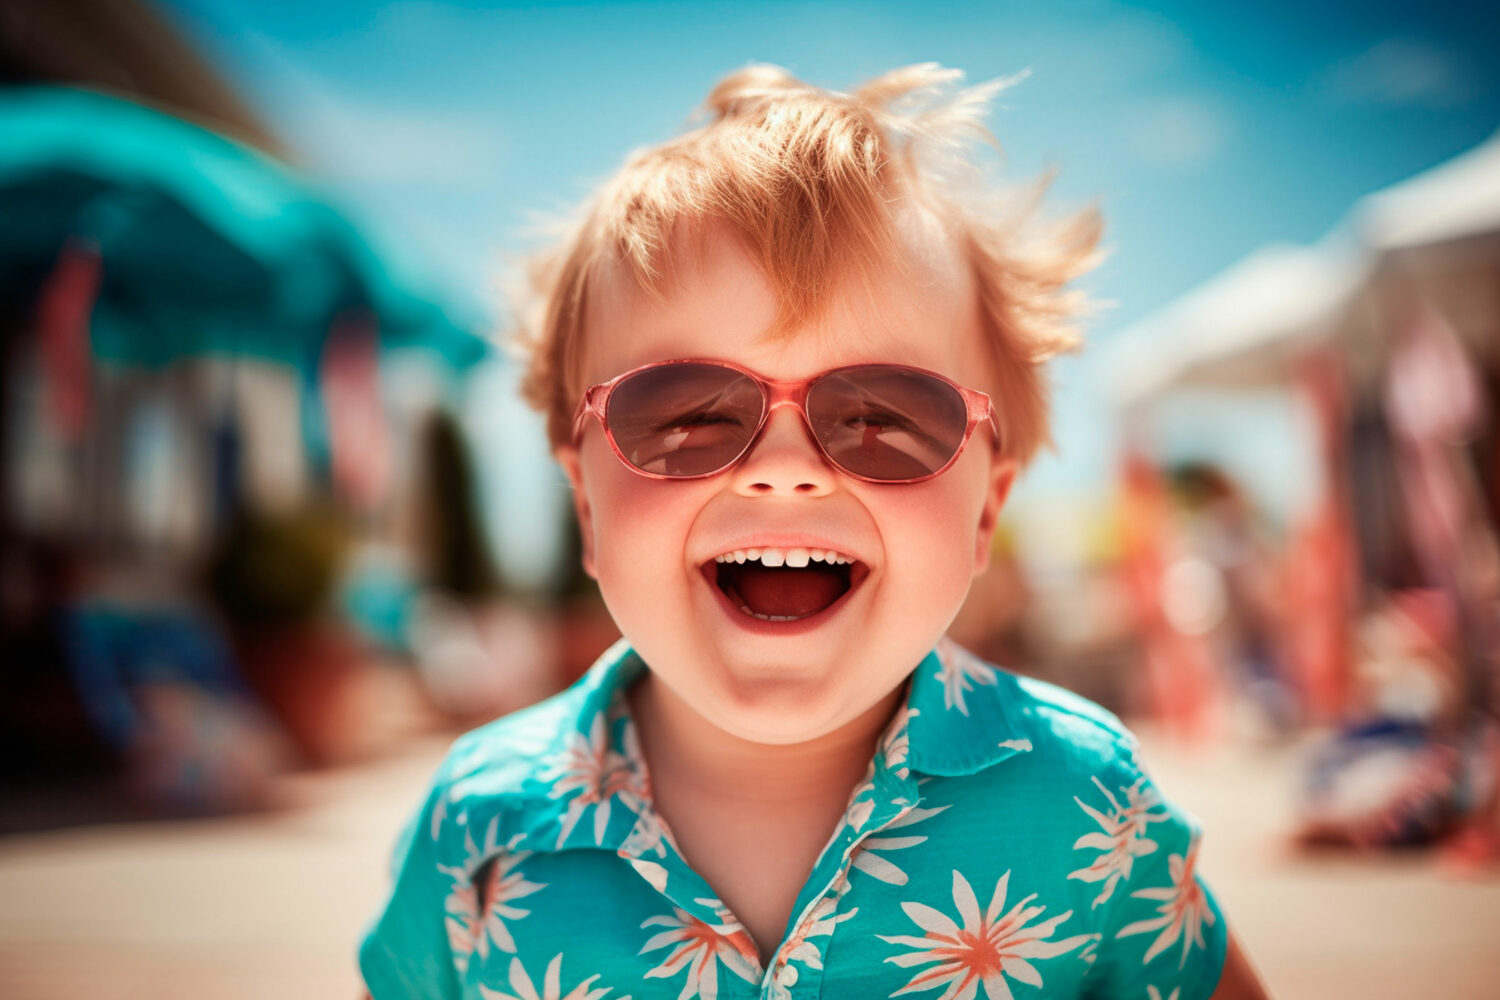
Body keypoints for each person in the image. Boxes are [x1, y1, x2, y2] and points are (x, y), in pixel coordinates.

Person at [359, 63, 1270, 999]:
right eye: (684, 414)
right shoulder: (481, 829)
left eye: (881, 414)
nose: (784, 465)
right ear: (588, 509)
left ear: (986, 510)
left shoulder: (1086, 802)